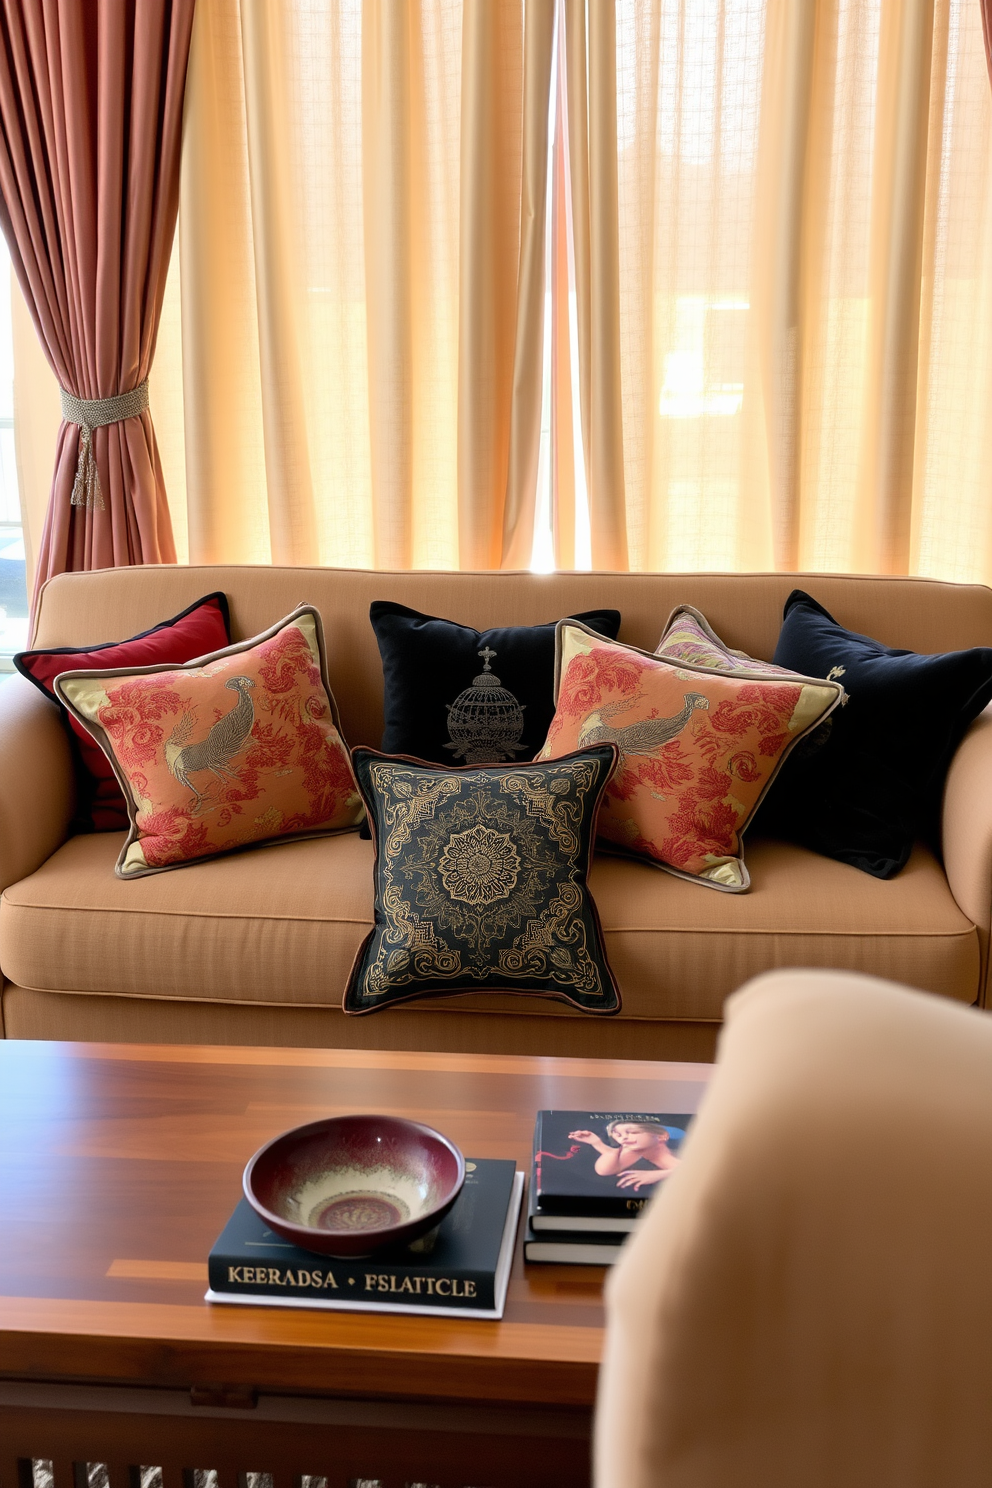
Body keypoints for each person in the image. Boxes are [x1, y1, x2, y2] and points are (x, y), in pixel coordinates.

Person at [567, 1119, 684, 1191]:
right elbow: (604, 1169)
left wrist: (660, 1175)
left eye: (632, 1132)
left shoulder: (682, 1154)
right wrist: (597, 1143)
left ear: (661, 1136)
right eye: (617, 1135)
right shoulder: (632, 1152)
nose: (623, 1138)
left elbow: (697, 1171)